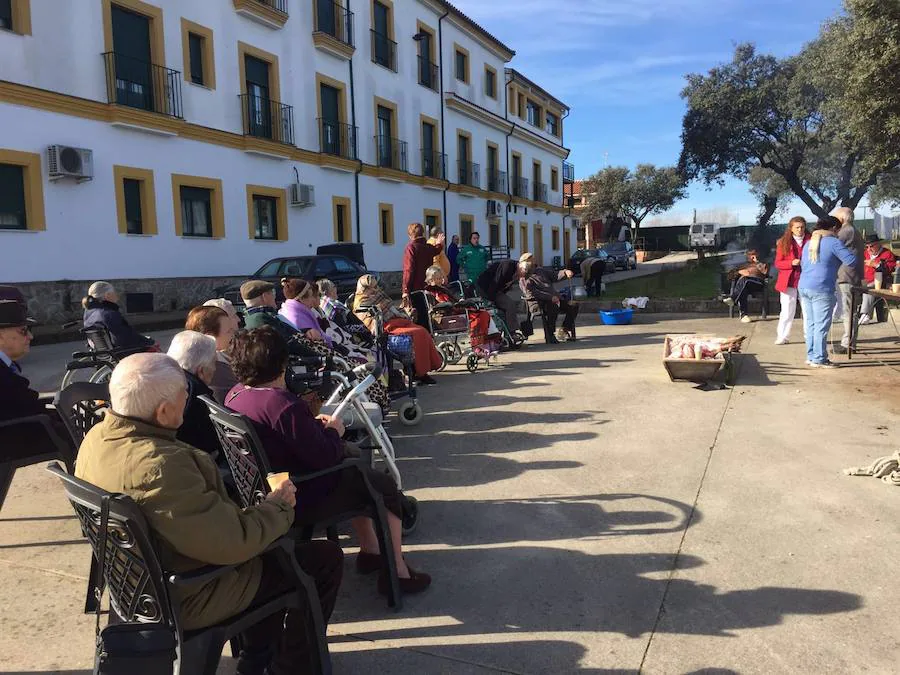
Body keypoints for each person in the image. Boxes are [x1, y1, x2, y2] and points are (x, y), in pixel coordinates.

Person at [75, 352, 343, 674]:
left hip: (140, 587)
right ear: (163, 411)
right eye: (183, 398)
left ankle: (259, 658)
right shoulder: (161, 466)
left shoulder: (96, 438)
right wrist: (279, 505)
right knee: (320, 560)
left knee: (275, 556)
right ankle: (292, 667)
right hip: (189, 593)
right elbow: (235, 543)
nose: (187, 403)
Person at [225, 328, 431, 595]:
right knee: (383, 486)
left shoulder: (236, 395)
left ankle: (370, 551)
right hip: (304, 493)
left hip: (269, 487)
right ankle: (398, 573)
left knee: (360, 473)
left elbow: (288, 438)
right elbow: (325, 457)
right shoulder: (281, 404)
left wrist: (314, 427)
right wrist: (334, 430)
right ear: (281, 364)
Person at [0, 288, 71, 465]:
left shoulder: (6, 367)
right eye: (23, 331)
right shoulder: (3, 374)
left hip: (15, 432)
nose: (30, 336)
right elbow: (27, 407)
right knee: (85, 435)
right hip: (12, 440)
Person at [353, 274, 442, 385]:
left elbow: (391, 307)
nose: (374, 289)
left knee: (422, 331)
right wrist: (390, 315)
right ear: (364, 287)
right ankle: (418, 373)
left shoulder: (378, 294)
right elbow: (368, 320)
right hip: (385, 327)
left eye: (375, 286)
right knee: (417, 334)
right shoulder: (360, 301)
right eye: (371, 287)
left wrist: (402, 313)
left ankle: (422, 371)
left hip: (397, 322)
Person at [798, 217, 858, 368]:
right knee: (821, 325)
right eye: (838, 230)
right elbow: (851, 261)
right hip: (822, 288)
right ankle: (820, 358)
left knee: (811, 324)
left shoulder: (808, 243)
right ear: (833, 228)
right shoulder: (833, 242)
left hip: (804, 286)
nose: (838, 233)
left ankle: (811, 356)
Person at [167, 330, 221, 457]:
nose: (215, 368)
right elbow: (211, 444)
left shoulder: (159, 377)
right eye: (214, 363)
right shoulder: (197, 394)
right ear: (201, 370)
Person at [82, 281, 158, 351]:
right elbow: (124, 340)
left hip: (103, 353)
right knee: (155, 348)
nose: (117, 295)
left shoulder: (88, 313)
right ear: (107, 295)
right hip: (122, 353)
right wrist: (147, 341)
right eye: (114, 292)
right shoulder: (109, 314)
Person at [186, 305, 238, 403]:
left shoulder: (218, 357)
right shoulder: (215, 370)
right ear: (210, 338)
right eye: (228, 331)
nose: (233, 333)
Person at [519, 259, 578, 343]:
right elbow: (533, 293)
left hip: (554, 299)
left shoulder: (540, 271)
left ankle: (565, 329)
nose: (531, 262)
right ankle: (550, 334)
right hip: (537, 303)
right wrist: (550, 297)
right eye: (528, 260)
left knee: (573, 305)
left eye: (532, 260)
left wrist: (565, 272)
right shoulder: (524, 278)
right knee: (552, 306)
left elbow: (555, 275)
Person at [832, 207, 865, 355]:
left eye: (836, 218)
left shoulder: (846, 231)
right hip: (850, 276)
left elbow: (833, 246)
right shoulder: (853, 230)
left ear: (842, 218)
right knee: (849, 310)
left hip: (847, 276)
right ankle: (849, 342)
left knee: (849, 311)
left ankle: (848, 344)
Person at [773, 217, 810, 345]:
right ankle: (782, 336)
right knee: (787, 310)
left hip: (807, 280)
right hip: (788, 281)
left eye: (802, 227)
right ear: (791, 228)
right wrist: (791, 263)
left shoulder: (811, 240)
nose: (800, 230)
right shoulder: (783, 242)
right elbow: (778, 263)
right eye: (797, 227)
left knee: (808, 310)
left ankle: (809, 336)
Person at [402, 223, 445, 329]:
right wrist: (440, 243)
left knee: (417, 318)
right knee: (427, 316)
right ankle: (428, 340)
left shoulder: (411, 247)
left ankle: (421, 342)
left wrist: (405, 290)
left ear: (410, 235)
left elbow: (409, 270)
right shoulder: (427, 247)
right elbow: (436, 250)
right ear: (422, 233)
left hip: (415, 289)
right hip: (427, 287)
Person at [476, 256, 527, 334]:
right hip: (486, 289)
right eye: (522, 274)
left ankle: (509, 331)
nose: (521, 277)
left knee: (507, 306)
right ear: (521, 268)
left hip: (493, 290)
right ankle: (512, 331)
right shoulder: (508, 266)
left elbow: (505, 287)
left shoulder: (516, 271)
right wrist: (491, 300)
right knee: (510, 305)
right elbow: (495, 282)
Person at [723, 250, 770, 323]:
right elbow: (730, 275)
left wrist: (757, 262)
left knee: (745, 280)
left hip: (757, 283)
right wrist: (739, 272)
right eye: (749, 254)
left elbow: (765, 273)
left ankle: (733, 299)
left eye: (753, 254)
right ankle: (744, 316)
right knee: (743, 289)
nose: (751, 256)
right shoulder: (743, 265)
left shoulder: (763, 264)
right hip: (745, 285)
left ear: (757, 255)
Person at [859, 233, 897, 325]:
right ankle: (848, 314)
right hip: (864, 280)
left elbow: (890, 269)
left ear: (878, 244)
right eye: (866, 246)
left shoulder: (887, 254)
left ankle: (865, 314)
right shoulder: (865, 254)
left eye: (871, 246)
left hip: (882, 281)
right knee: (852, 287)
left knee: (869, 288)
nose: (869, 249)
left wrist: (876, 265)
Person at [278, 278, 330, 345]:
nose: (312, 300)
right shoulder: (298, 319)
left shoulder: (290, 310)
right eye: (311, 296)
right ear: (301, 299)